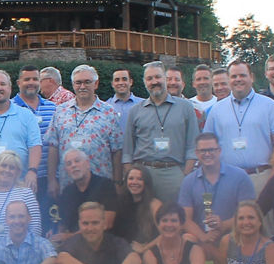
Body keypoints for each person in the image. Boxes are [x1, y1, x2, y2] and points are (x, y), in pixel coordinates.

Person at [178, 132, 255, 264]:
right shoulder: (189, 181)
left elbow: (250, 215)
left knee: (228, 242)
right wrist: (203, 236)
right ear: (197, 153)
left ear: (219, 150)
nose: (207, 154)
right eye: (203, 151)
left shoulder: (240, 177)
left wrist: (223, 225)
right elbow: (185, 219)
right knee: (186, 238)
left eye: (211, 150)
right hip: (202, 239)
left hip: (234, 235)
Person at [203, 60, 274, 192]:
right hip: (227, 179)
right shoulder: (216, 110)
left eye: (242, 75)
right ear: (229, 79)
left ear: (251, 77)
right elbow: (207, 145)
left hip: (261, 178)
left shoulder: (269, 105)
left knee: (262, 213)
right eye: (234, 76)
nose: (238, 80)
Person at [124, 61, 198, 205]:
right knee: (144, 222)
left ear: (165, 78)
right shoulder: (135, 111)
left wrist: (185, 175)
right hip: (143, 175)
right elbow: (127, 150)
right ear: (144, 82)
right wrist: (131, 177)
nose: (154, 82)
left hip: (174, 174)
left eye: (157, 77)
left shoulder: (185, 107)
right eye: (149, 79)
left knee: (173, 221)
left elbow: (192, 146)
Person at [45, 64, 122, 197]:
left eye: (87, 82)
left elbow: (117, 150)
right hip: (68, 184)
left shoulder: (109, 112)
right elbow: (53, 147)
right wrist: (51, 180)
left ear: (96, 84)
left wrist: (117, 181)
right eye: (78, 82)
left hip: (101, 185)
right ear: (73, 85)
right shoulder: (60, 111)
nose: (82, 86)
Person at [11, 66, 56, 216]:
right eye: (27, 79)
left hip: (47, 177)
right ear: (18, 82)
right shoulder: (10, 108)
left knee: (47, 221)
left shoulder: (53, 108)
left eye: (35, 79)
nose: (31, 82)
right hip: (19, 179)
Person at [53, 149, 118, 242]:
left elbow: (107, 223)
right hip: (74, 245)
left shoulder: (105, 185)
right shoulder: (67, 192)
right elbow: (63, 225)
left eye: (77, 161)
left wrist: (70, 237)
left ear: (87, 164)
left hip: (103, 242)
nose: (73, 165)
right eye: (69, 164)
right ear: (66, 170)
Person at [111, 164, 160, 253]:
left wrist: (145, 248)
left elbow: (166, 234)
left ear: (146, 182)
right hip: (122, 251)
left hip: (145, 252)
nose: (134, 182)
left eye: (139, 179)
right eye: (131, 178)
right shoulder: (119, 202)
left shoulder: (154, 204)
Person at [104, 67, 142, 133]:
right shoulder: (105, 107)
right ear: (112, 84)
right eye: (117, 80)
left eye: (124, 79)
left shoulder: (143, 105)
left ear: (130, 82)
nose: (121, 83)